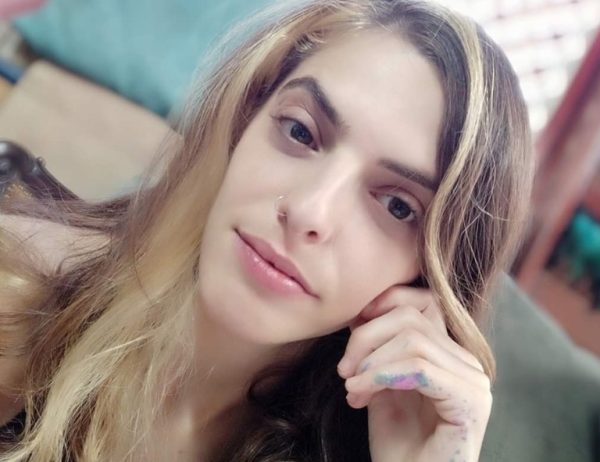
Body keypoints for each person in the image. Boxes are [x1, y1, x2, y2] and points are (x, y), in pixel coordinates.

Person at [0, 0, 534, 460]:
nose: (309, 212)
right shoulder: (20, 299)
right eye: (300, 131)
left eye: (397, 205)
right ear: (241, 122)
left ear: (428, 278)